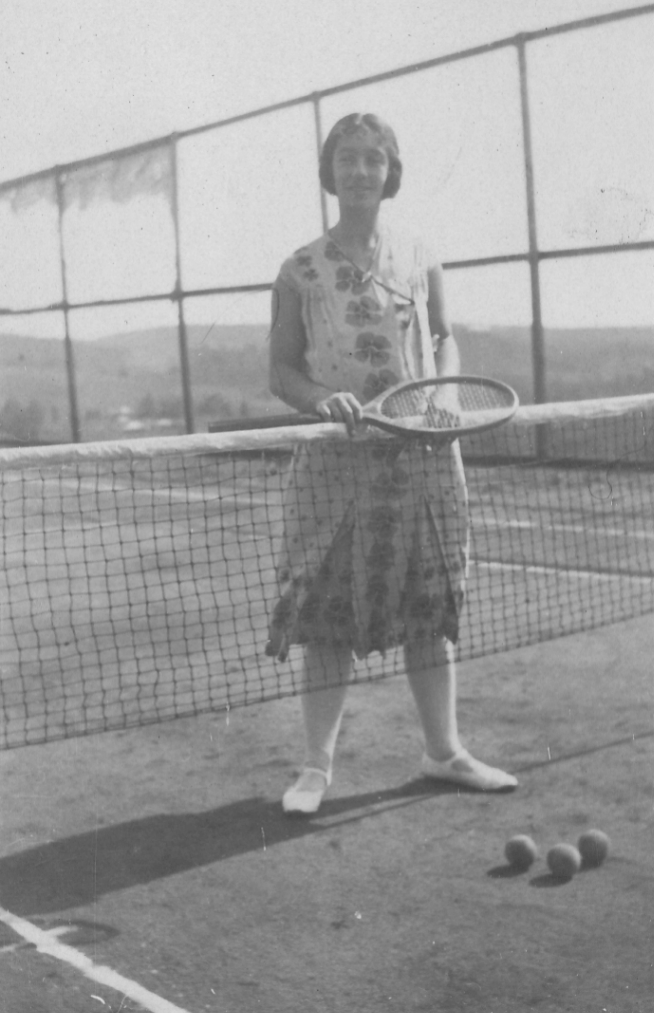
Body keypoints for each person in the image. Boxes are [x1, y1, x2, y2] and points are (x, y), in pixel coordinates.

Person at [267, 112, 517, 814]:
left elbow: (445, 338)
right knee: (326, 615)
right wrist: (321, 400)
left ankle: (444, 752)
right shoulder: (298, 269)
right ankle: (315, 769)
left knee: (429, 609)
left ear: (390, 171)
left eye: (373, 159)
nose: (360, 171)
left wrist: (445, 396)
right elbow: (281, 371)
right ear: (330, 169)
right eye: (347, 158)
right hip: (335, 468)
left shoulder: (420, 255)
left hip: (425, 457)